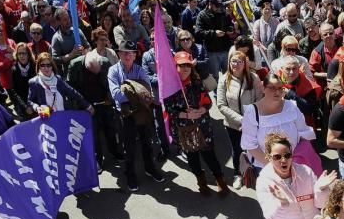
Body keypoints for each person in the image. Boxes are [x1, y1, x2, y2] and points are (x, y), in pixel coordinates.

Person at [164, 51, 230, 197]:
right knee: (192, 158)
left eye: (188, 64)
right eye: (181, 65)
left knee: (209, 155)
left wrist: (202, 109)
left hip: (202, 126)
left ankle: (220, 180)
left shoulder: (197, 82)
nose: (185, 68)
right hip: (184, 129)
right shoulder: (170, 87)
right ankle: (201, 181)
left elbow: (208, 101)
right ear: (175, 66)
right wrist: (186, 114)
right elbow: (168, 109)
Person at [108, 40, 165, 192]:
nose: (128, 56)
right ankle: (130, 175)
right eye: (124, 53)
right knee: (129, 147)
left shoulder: (140, 70)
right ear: (119, 54)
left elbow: (148, 93)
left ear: (134, 56)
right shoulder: (113, 71)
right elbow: (116, 95)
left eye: (131, 53)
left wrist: (130, 91)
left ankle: (150, 168)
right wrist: (138, 93)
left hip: (142, 112)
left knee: (147, 143)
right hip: (125, 115)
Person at [255, 132, 334, 219]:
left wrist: (321, 190)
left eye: (287, 155)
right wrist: (283, 203)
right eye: (277, 157)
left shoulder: (305, 171)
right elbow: (270, 216)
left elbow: (321, 204)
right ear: (268, 157)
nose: (283, 160)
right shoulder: (264, 181)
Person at [241, 73, 316, 171]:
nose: (277, 92)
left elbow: (304, 133)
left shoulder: (291, 106)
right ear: (263, 88)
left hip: (293, 164)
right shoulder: (252, 112)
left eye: (280, 88)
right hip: (266, 167)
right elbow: (250, 145)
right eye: (272, 88)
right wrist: (274, 167)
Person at [217, 49, 265, 188]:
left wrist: (250, 120)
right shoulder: (224, 79)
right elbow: (221, 105)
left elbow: (259, 99)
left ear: (245, 63)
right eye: (233, 61)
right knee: (237, 149)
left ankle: (255, 172)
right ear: (229, 62)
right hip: (233, 124)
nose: (236, 64)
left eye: (240, 61)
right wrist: (241, 120)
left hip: (253, 122)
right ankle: (238, 174)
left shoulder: (254, 78)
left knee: (254, 148)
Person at [27, 53, 93, 116]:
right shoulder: (34, 82)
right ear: (39, 67)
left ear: (52, 66)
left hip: (62, 116)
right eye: (42, 65)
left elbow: (72, 92)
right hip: (47, 120)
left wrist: (87, 106)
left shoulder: (58, 79)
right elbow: (30, 101)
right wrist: (36, 107)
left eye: (48, 65)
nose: (46, 68)